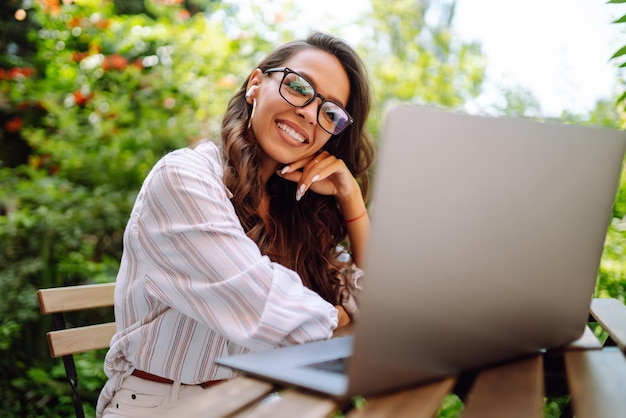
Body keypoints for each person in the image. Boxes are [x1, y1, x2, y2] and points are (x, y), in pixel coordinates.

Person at [97, 31, 375, 417]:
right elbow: (262, 307)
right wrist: (348, 316)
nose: (310, 113)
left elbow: (380, 303)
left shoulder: (292, 210)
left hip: (250, 400)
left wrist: (351, 200)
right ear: (255, 85)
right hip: (161, 403)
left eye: (330, 112)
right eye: (299, 87)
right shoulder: (185, 178)